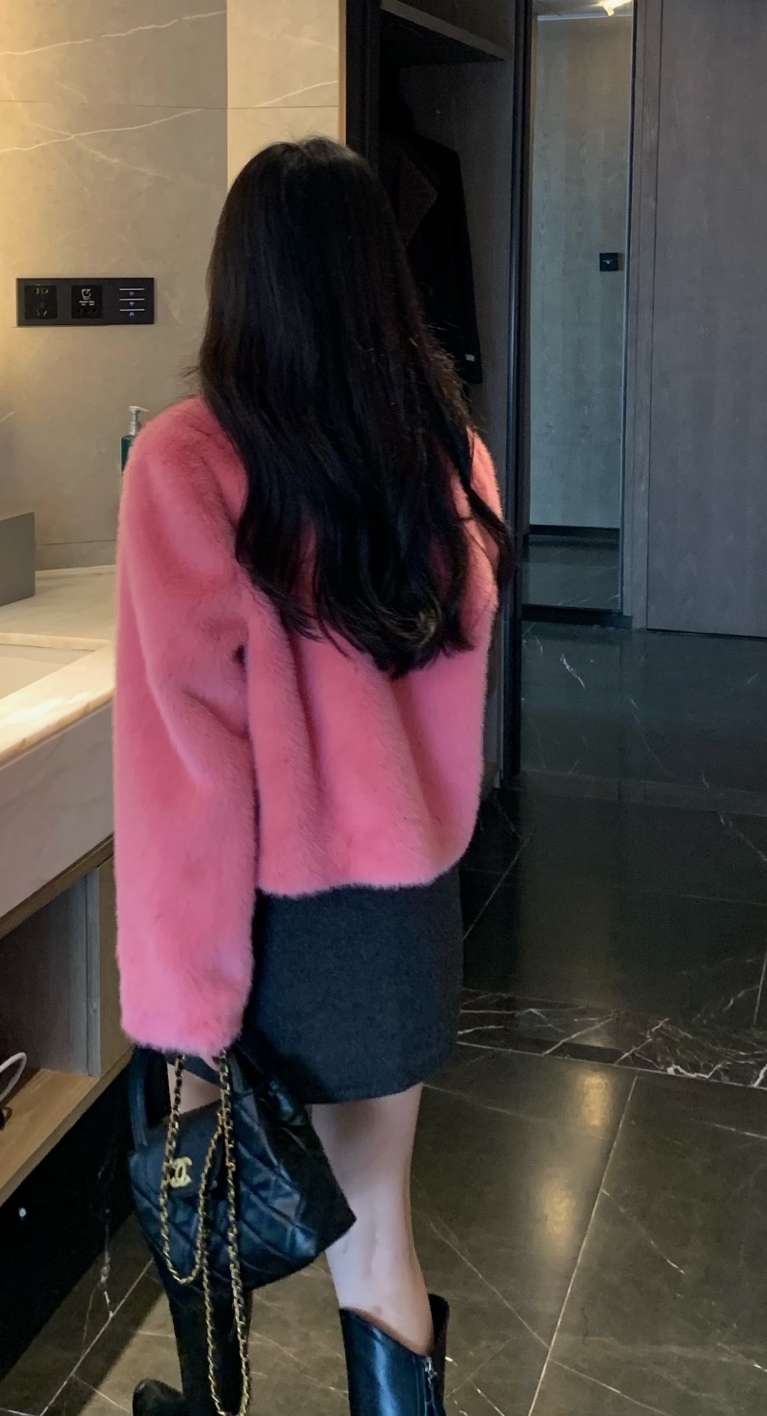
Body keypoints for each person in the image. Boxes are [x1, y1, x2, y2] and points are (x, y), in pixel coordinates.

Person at [114, 138, 511, 1416]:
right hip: (399, 922)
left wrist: (187, 1004)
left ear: (241, 282)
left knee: (214, 1239)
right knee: (379, 1232)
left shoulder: (187, 461)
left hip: (266, 930)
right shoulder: (445, 455)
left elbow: (189, 771)